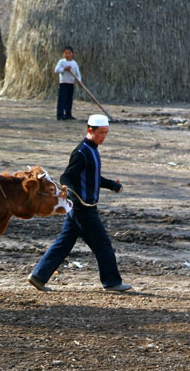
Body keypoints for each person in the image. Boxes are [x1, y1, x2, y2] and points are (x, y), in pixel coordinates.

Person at [28, 114, 132, 292]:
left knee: (64, 243)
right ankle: (112, 282)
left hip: (81, 208)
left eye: (106, 133)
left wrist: (112, 185)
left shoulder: (92, 149)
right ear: (90, 130)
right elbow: (66, 176)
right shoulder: (81, 152)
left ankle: (38, 276)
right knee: (103, 245)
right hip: (83, 209)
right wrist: (70, 191)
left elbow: (92, 177)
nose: (103, 136)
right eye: (101, 133)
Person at [54, 45, 82, 120]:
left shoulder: (74, 63)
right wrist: (64, 69)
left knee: (69, 99)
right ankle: (60, 115)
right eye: (65, 53)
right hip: (63, 84)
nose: (67, 55)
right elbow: (56, 70)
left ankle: (68, 114)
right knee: (62, 99)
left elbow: (77, 73)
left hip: (71, 84)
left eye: (69, 53)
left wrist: (79, 81)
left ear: (72, 54)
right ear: (63, 54)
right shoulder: (62, 62)